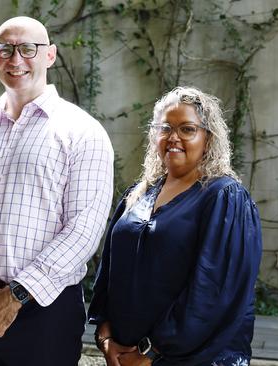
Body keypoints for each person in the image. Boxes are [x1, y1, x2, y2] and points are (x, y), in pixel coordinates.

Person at [0, 16, 114, 365]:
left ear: (50, 55)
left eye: (28, 49)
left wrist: (15, 295)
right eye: (6, 49)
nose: (16, 60)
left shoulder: (82, 132)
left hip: (44, 311)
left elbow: (84, 229)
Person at [88, 86, 262, 366]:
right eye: (165, 128)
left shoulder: (224, 197)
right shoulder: (138, 194)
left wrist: (150, 354)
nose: (173, 137)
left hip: (187, 359)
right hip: (121, 352)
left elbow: (214, 292)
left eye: (187, 129)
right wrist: (105, 332)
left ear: (208, 138)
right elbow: (110, 267)